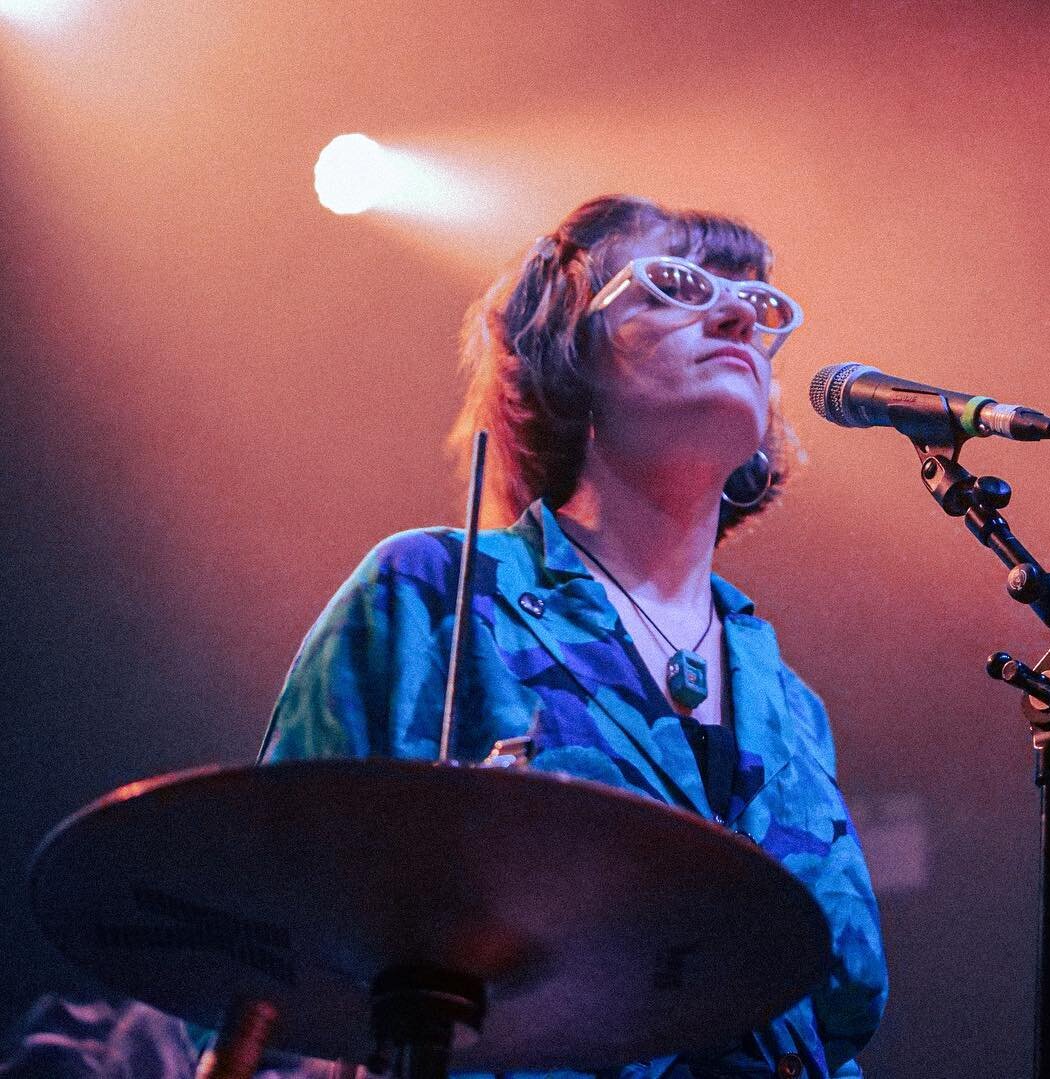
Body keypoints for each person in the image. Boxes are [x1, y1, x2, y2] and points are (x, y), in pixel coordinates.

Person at [2, 195, 886, 1079]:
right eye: (675, 286)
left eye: (758, 305)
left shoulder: (790, 703)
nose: (736, 312)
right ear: (565, 349)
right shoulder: (434, 594)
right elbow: (267, 950)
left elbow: (843, 1005)